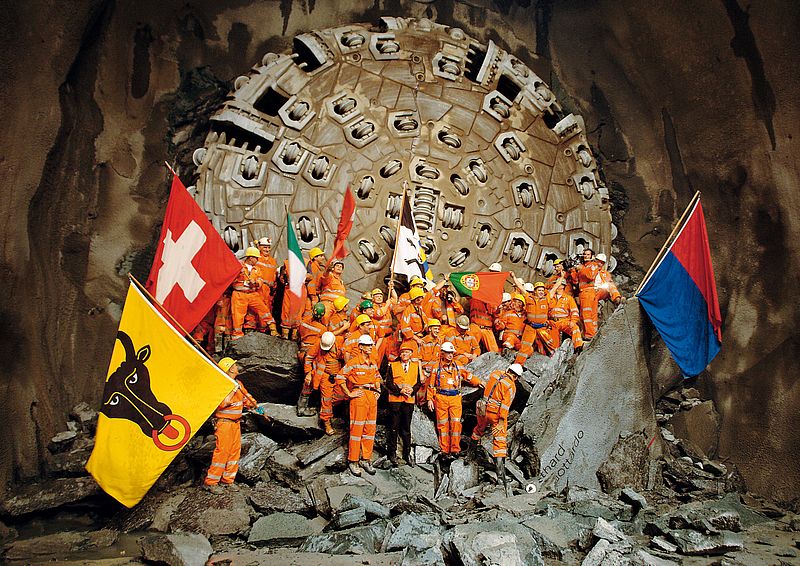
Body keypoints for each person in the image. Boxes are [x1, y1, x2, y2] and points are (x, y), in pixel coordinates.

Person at [204, 357, 264, 494]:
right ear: (230, 368)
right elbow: (222, 404)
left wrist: (256, 406)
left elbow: (246, 398)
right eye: (235, 365)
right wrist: (232, 390)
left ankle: (228, 480)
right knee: (222, 452)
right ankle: (211, 482)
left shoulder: (238, 383)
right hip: (224, 424)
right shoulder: (222, 386)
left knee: (234, 452)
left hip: (235, 423)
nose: (237, 366)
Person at [470, 363, 521, 495]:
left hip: (482, 409)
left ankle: (469, 457)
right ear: (515, 376)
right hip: (495, 414)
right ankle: (500, 476)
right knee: (499, 441)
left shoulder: (495, 373)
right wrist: (501, 421)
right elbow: (505, 407)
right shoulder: (511, 386)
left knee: (478, 430)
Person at [426, 341, 483, 459]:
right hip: (441, 397)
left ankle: (455, 449)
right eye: (448, 353)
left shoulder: (457, 365)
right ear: (442, 353)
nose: (450, 355)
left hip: (455, 398)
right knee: (442, 425)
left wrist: (479, 382)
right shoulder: (436, 367)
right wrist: (429, 399)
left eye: (452, 353)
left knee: (456, 423)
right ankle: (444, 450)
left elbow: (467, 375)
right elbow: (431, 385)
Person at [336, 334, 381, 476]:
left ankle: (365, 459)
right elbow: (340, 377)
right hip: (359, 396)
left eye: (371, 345)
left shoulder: (372, 362)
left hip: (371, 397)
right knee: (357, 429)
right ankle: (353, 461)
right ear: (360, 347)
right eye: (367, 345)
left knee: (370, 429)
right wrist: (349, 393)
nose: (370, 347)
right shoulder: (354, 362)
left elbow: (377, 377)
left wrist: (378, 390)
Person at [386, 341, 422, 466]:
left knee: (406, 429)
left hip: (409, 401)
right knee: (393, 428)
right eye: (402, 352)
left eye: (407, 352)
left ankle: (407, 454)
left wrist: (412, 390)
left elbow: (418, 383)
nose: (405, 354)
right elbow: (388, 383)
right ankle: (392, 454)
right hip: (395, 401)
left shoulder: (416, 366)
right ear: (399, 354)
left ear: (411, 354)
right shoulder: (392, 365)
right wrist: (400, 391)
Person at [304, 331, 347, 435]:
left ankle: (325, 408)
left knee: (341, 395)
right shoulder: (318, 344)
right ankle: (326, 422)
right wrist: (308, 373)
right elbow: (308, 357)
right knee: (326, 398)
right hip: (325, 376)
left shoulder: (340, 341)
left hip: (339, 375)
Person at [231, 247, 277, 339]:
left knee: (264, 310)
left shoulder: (257, 269)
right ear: (251, 258)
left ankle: (273, 329)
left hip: (252, 293)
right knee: (237, 316)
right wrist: (238, 274)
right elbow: (230, 280)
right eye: (256, 258)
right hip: (239, 294)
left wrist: (255, 283)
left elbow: (260, 280)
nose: (257, 260)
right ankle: (237, 336)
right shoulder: (239, 267)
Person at [468, 262, 503, 353]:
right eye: (492, 272)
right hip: (475, 326)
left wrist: (498, 311)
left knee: (495, 352)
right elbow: (467, 290)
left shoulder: (497, 292)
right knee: (470, 349)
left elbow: (496, 312)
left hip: (487, 328)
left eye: (495, 274)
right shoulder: (478, 286)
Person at [572, 248, 602, 340]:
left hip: (589, 291)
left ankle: (590, 335)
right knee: (585, 315)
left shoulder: (593, 265)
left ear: (592, 256)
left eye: (588, 254)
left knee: (587, 314)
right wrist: (573, 270)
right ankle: (588, 334)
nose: (586, 256)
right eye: (584, 254)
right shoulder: (582, 266)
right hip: (583, 292)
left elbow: (590, 276)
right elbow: (575, 281)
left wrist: (582, 269)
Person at [549, 280, 584, 352]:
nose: (554, 286)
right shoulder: (550, 297)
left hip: (564, 321)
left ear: (562, 286)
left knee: (575, 328)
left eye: (557, 284)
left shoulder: (569, 298)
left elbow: (574, 311)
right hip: (552, 323)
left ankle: (578, 347)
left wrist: (573, 321)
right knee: (553, 343)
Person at [256, 237, 279, 311]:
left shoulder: (273, 261)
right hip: (259, 289)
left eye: (269, 247)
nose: (267, 249)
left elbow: (275, 274)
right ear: (259, 247)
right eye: (265, 247)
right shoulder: (256, 259)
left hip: (270, 291)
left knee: (268, 310)